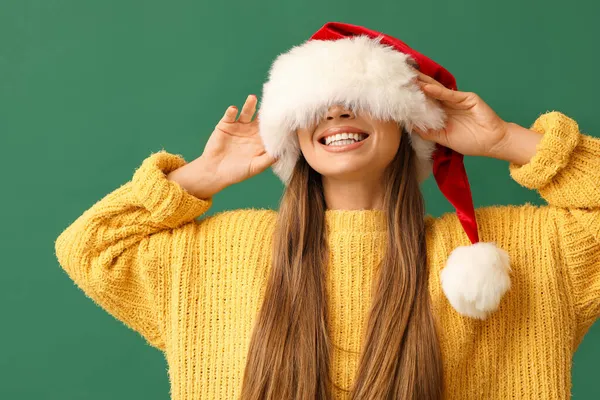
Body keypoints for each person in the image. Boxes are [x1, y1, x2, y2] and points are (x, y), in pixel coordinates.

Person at [54, 22, 599, 400]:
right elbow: (93, 246)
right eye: (317, 104)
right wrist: (202, 175)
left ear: (407, 123)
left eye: (361, 98)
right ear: (293, 133)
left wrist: (508, 140)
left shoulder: (503, 255)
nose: (338, 110)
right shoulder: (221, 252)